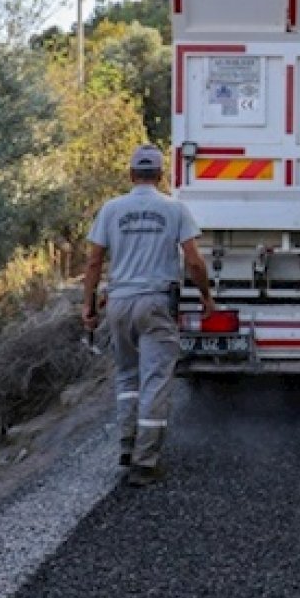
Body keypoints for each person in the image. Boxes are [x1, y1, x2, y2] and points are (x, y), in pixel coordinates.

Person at [82, 143, 214, 487]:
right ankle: (145, 462)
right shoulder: (174, 209)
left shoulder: (111, 209)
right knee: (155, 379)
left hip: (119, 302)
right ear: (160, 175)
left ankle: (126, 446)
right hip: (155, 302)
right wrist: (206, 296)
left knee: (127, 377)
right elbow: (194, 260)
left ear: (130, 175)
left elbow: (94, 261)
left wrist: (88, 306)